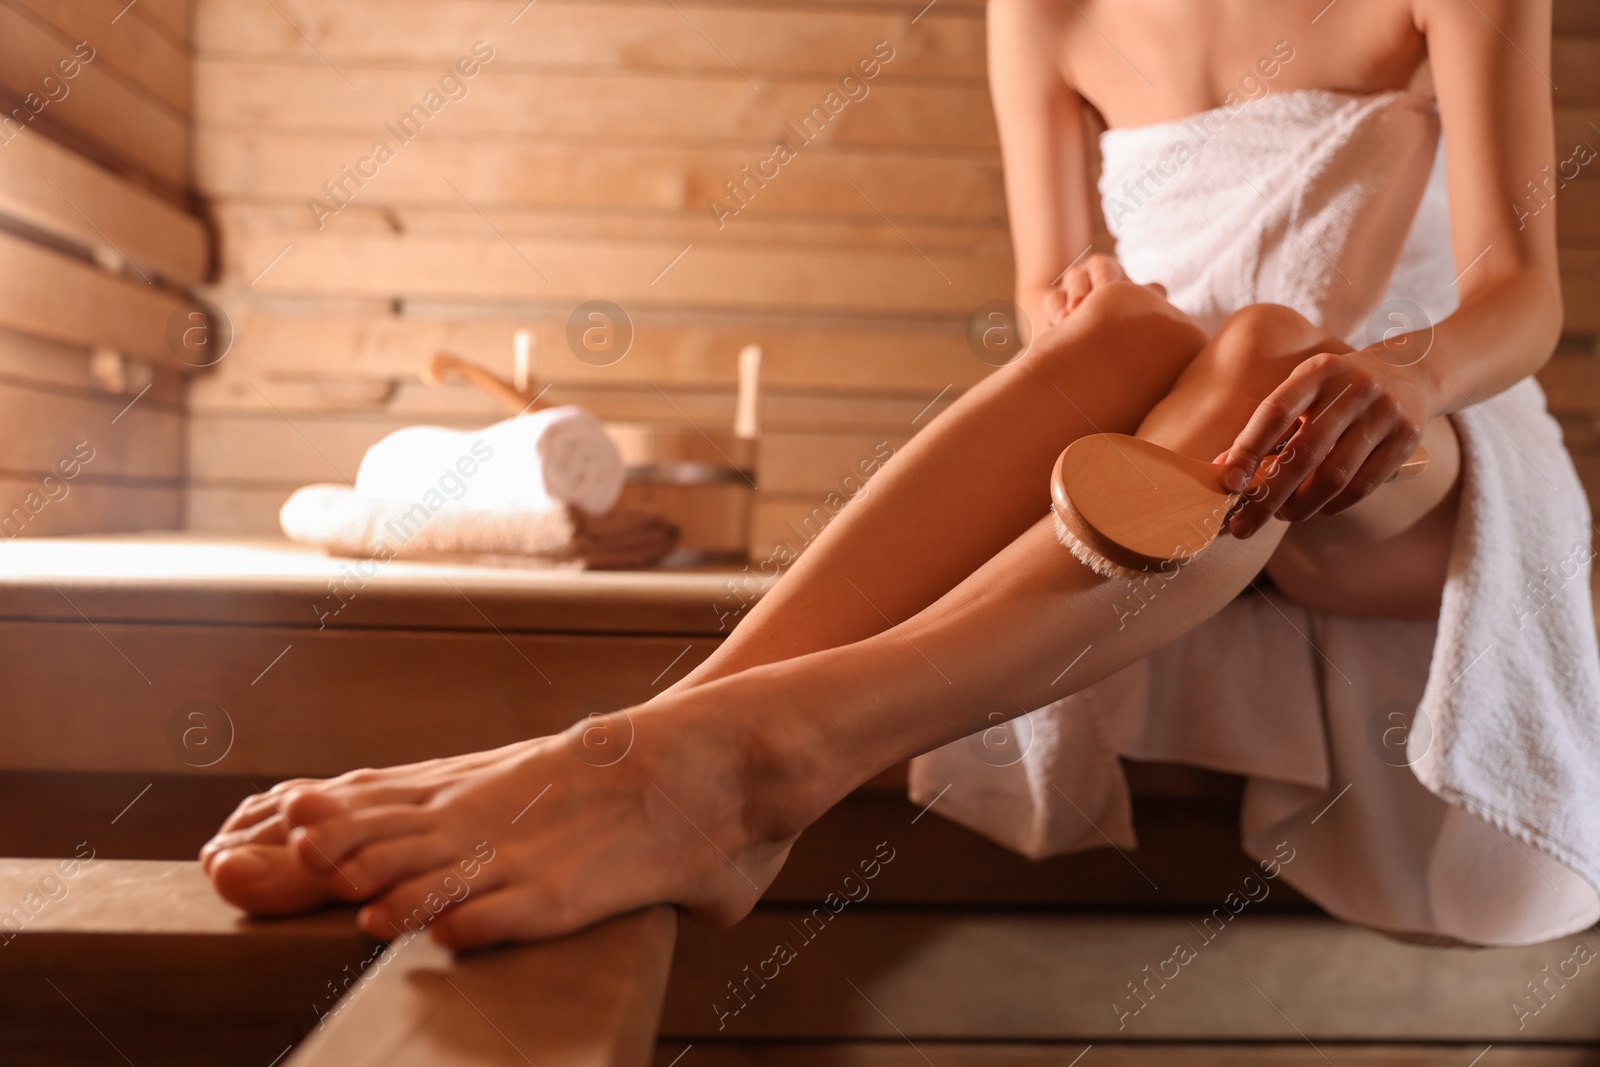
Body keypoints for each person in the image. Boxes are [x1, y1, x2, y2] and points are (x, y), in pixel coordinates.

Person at [201, 0, 1595, 948]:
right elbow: (1050, 296)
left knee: (1271, 349)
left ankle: (744, 761)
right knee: (1132, 327)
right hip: (1161, 450)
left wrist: (1406, 373)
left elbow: (1518, 294)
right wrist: (1079, 318)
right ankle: (656, 747)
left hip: (1416, 456)